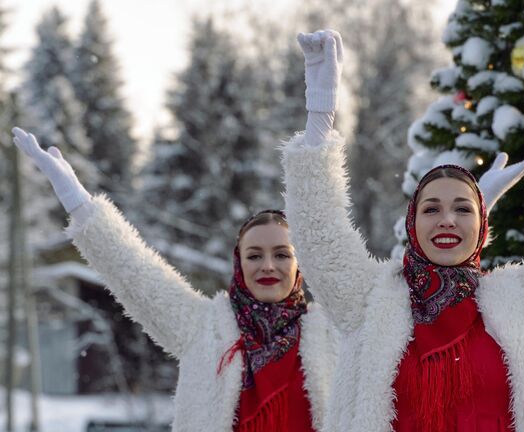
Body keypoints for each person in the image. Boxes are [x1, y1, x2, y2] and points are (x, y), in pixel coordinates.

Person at [281, 28, 524, 431]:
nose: (447, 219)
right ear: (412, 223)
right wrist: (319, 122)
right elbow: (321, 235)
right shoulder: (370, 303)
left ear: (482, 225)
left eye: (462, 209)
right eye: (432, 209)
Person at [11, 128, 336, 431]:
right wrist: (80, 205)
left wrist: (319, 122)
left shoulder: (332, 334)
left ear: (300, 264)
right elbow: (134, 274)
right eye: (254, 255)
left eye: (281, 254)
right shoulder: (203, 328)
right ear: (239, 263)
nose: (267, 265)